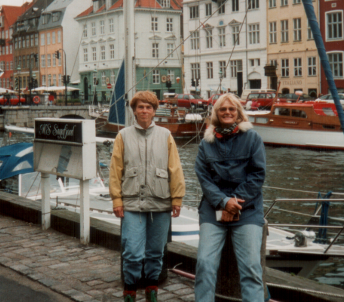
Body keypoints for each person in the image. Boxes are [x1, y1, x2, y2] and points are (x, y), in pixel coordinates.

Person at [109, 91, 186, 302]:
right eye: (141, 107)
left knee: (155, 252)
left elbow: (175, 169)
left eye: (149, 107)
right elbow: (115, 170)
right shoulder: (123, 136)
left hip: (160, 202)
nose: (144, 110)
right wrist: (117, 199)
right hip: (132, 202)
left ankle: (152, 292)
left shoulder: (165, 135)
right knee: (132, 252)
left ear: (154, 111)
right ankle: (130, 293)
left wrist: (177, 198)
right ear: (134, 110)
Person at [194, 93, 266, 301]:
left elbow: (257, 175)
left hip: (247, 210)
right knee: (205, 264)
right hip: (213, 208)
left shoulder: (253, 138)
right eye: (223, 109)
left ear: (238, 113)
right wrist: (224, 203)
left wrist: (233, 203)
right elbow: (204, 178)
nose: (227, 112)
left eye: (232, 109)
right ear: (216, 114)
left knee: (251, 267)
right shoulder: (205, 143)